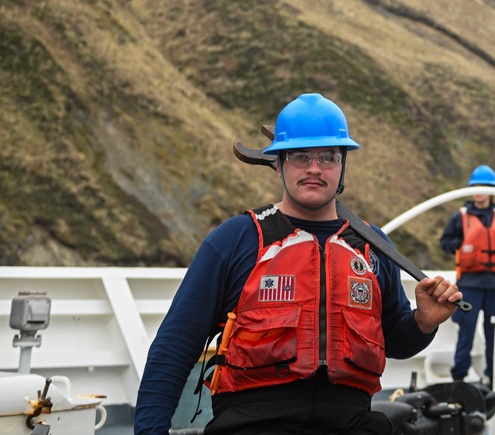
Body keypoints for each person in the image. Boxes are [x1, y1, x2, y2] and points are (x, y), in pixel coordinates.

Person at [135, 93, 463, 435]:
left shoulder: (374, 246)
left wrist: (423, 322)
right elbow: (174, 348)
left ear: (342, 165)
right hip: (254, 424)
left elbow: (396, 341)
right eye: (300, 156)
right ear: (277, 163)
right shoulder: (236, 240)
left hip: (351, 423)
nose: (314, 168)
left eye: (328, 157)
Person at [438, 164, 495, 386]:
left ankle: (493, 376)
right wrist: (460, 244)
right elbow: (445, 243)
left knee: (494, 333)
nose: (480, 190)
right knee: (466, 332)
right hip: (469, 284)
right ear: (470, 189)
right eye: (476, 186)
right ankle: (459, 376)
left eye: (485, 186)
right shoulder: (460, 217)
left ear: (492, 189)